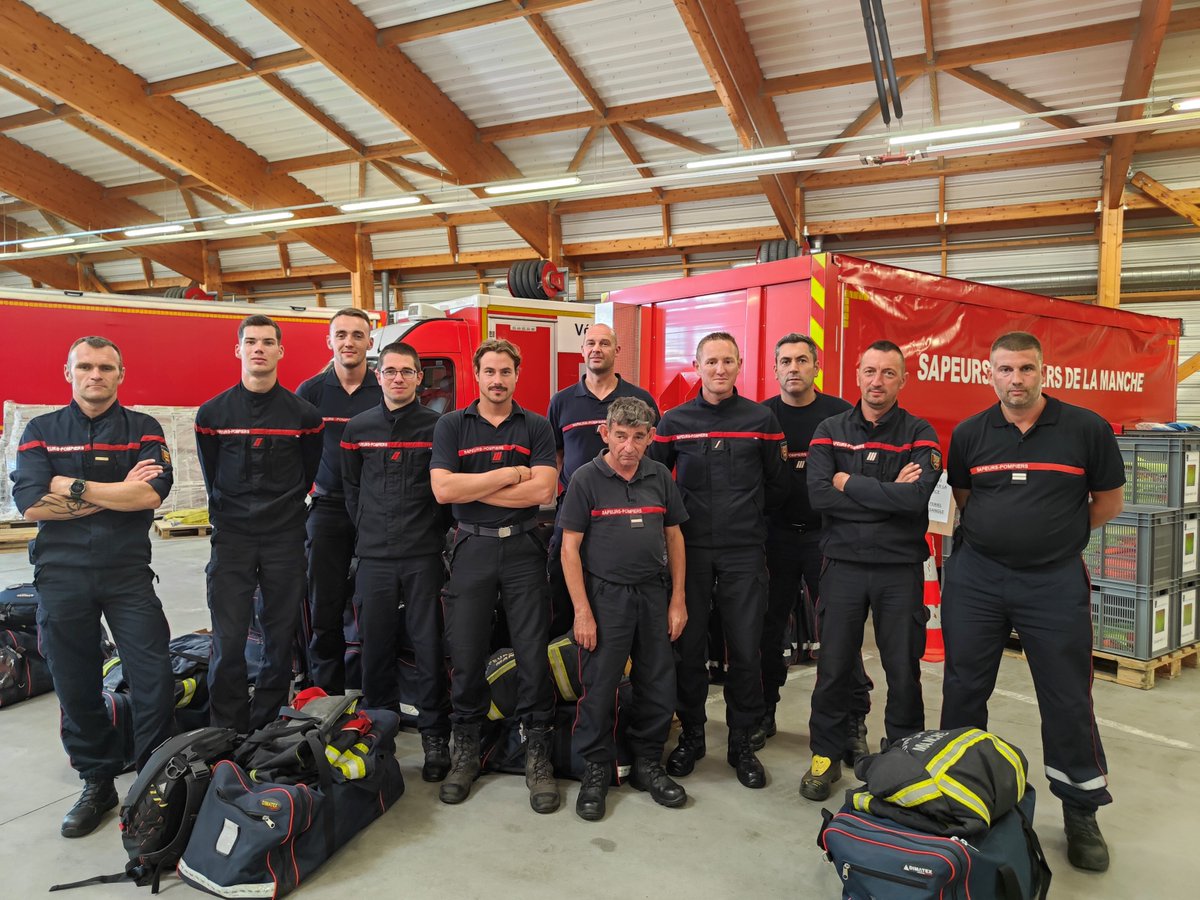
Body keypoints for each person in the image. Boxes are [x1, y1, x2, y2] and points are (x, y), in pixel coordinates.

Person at [941, 332, 1124, 873]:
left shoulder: (1084, 428)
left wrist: (1055, 538)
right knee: (964, 688)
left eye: (1025, 368)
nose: (1015, 379)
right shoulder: (971, 433)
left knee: (1066, 695)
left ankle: (1080, 809)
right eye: (1005, 369)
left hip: (1053, 582)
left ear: (1045, 370)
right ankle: (959, 792)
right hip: (977, 578)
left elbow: (1107, 501)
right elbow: (964, 499)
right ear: (989, 373)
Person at [11, 336, 174, 837]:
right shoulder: (41, 431)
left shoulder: (143, 429)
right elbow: (32, 505)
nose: (95, 375)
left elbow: (150, 493)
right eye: (85, 366)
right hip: (60, 578)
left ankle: (153, 785)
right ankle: (98, 781)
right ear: (69, 372)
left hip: (127, 574)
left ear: (120, 374)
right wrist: (116, 493)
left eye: (106, 367)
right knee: (76, 684)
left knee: (155, 681)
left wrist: (70, 485)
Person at [801, 339, 941, 801]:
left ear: (903, 380)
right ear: (856, 375)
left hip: (899, 571)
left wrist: (850, 484)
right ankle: (824, 756)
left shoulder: (920, 433)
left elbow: (915, 500)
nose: (877, 381)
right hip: (841, 567)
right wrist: (885, 494)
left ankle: (902, 758)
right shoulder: (828, 429)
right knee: (833, 667)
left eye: (888, 373)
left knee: (903, 670)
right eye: (870, 371)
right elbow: (821, 497)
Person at [430, 338, 560, 813]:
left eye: (506, 372)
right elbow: (444, 490)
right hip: (471, 547)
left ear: (516, 376)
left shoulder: (537, 425)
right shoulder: (451, 425)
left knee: (532, 652)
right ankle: (465, 749)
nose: (498, 380)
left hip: (525, 548)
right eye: (490, 372)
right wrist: (510, 476)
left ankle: (538, 753)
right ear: (478, 375)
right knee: (464, 652)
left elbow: (544, 490)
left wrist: (478, 487)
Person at [651, 332, 786, 789]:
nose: (720, 369)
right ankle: (691, 736)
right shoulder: (674, 421)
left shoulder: (761, 420)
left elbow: (776, 482)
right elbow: (655, 478)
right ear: (697, 364)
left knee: (745, 650)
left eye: (728, 361)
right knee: (688, 651)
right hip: (689, 552)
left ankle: (741, 743)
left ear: (739, 364)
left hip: (745, 552)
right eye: (711, 361)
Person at [559, 397, 689, 821]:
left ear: (651, 437)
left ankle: (648, 763)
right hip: (605, 597)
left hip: (653, 594)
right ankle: (596, 769)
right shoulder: (585, 479)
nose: (629, 447)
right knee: (599, 688)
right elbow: (569, 549)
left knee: (657, 683)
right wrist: (582, 611)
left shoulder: (659, 477)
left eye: (638, 437)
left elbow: (675, 539)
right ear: (605, 433)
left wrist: (677, 600)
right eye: (620, 436)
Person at [195, 314, 323, 734]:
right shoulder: (212, 413)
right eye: (251, 342)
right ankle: (226, 729)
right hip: (231, 538)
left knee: (279, 637)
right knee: (228, 640)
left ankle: (267, 725)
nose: (259, 349)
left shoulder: (304, 416)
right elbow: (210, 471)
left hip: (284, 537)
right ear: (239, 350)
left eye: (268, 342)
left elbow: (308, 472)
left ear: (280, 351)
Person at [341, 340, 452, 782]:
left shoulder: (438, 427)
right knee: (376, 650)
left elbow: (445, 493)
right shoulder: (357, 428)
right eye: (390, 371)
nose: (399, 378)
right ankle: (377, 738)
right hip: (374, 557)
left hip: (423, 555)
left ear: (419, 378)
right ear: (378, 375)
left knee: (428, 647)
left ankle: (435, 738)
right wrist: (368, 527)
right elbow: (352, 491)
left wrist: (431, 529)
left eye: (407, 371)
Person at [759, 333, 871, 753]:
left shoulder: (842, 415)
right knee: (768, 629)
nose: (793, 368)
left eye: (802, 360)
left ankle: (852, 720)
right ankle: (763, 710)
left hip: (830, 538)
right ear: (775, 369)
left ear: (816, 367)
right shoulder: (761, 417)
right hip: (775, 539)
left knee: (841, 633)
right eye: (785, 361)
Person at [547, 323, 659, 631]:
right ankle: (568, 658)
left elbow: (651, 453)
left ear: (617, 351)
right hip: (574, 511)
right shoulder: (561, 401)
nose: (597, 349)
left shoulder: (641, 399)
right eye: (591, 343)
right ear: (582, 351)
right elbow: (556, 454)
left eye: (605, 343)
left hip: (625, 512)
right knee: (562, 582)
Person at [296, 308, 382, 694]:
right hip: (327, 510)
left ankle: (374, 689)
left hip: (376, 511)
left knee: (375, 602)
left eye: (358, 335)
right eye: (341, 334)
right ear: (329, 341)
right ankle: (325, 693)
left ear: (370, 342)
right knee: (325, 605)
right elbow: (294, 452)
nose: (349, 342)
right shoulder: (310, 392)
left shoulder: (382, 391)